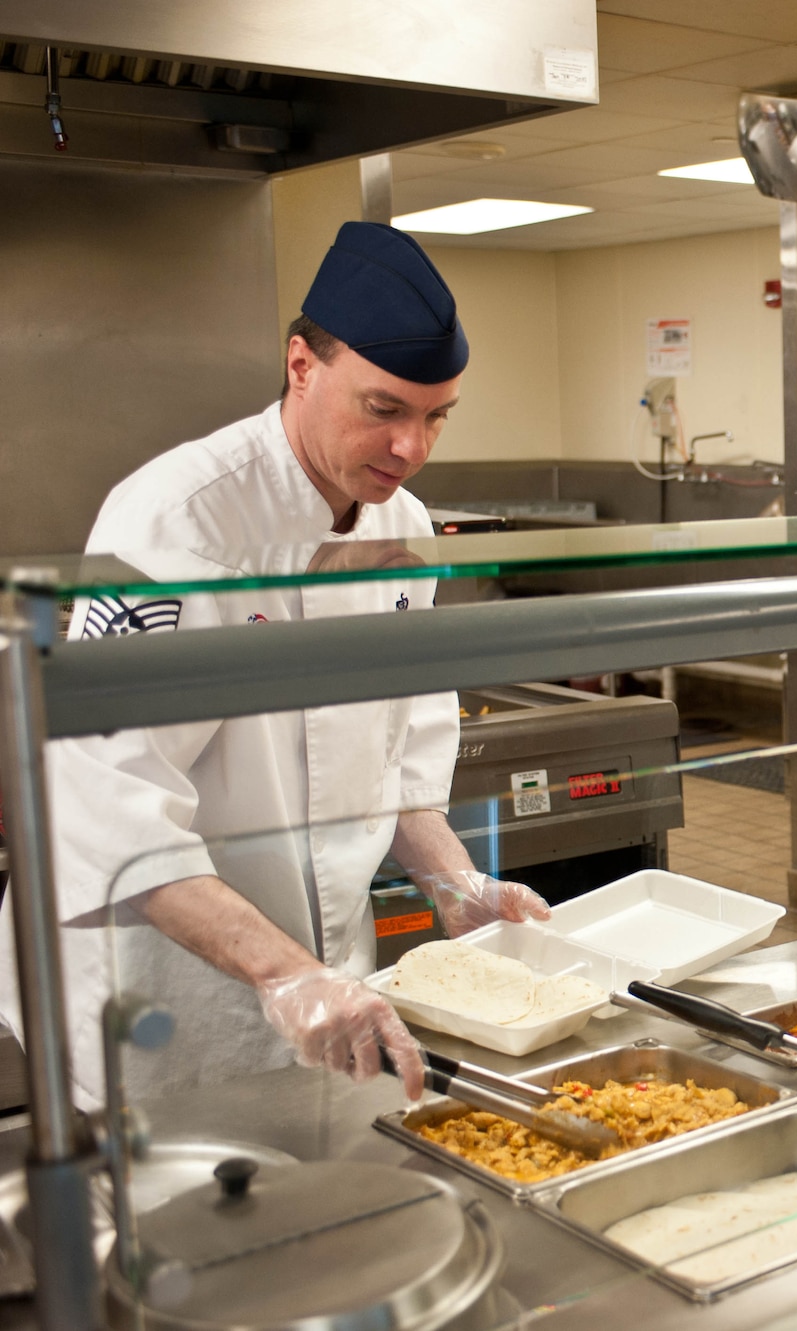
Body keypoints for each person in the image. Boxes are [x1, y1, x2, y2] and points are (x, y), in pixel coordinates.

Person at [0, 222, 550, 1105]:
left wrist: (458, 884)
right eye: (385, 409)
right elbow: (107, 801)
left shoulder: (404, 529)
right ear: (302, 365)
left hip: (329, 980)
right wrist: (282, 973)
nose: (412, 448)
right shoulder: (174, 525)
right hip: (164, 997)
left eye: (435, 416)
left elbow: (395, 749)